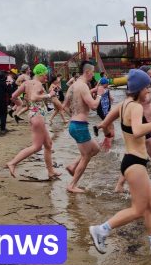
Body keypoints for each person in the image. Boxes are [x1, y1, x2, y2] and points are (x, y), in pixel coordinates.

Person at [89, 69, 151, 255]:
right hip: (135, 163)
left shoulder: (124, 104)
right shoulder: (136, 106)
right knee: (138, 209)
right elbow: (138, 131)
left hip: (132, 161)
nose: (149, 90)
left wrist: (104, 128)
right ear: (140, 88)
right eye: (146, 87)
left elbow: (110, 120)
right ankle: (101, 229)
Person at [6, 64, 61, 180]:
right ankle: (13, 163)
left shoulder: (26, 83)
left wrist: (21, 104)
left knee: (48, 144)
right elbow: (34, 97)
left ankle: (51, 172)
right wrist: (49, 95)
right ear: (40, 74)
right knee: (36, 147)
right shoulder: (38, 83)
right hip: (38, 116)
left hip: (33, 115)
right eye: (45, 75)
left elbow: (13, 96)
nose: (46, 78)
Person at [61, 62, 104, 193]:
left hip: (74, 125)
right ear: (88, 72)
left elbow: (64, 106)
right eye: (93, 72)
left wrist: (74, 116)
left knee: (95, 149)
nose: (93, 74)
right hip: (80, 126)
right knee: (86, 156)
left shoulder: (73, 86)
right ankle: (72, 185)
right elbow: (94, 106)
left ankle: (73, 165)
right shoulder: (83, 86)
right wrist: (100, 94)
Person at [92, 77, 114, 150]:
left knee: (108, 124)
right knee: (109, 125)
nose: (108, 84)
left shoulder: (102, 88)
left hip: (105, 109)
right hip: (103, 109)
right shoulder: (100, 89)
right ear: (106, 83)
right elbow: (90, 91)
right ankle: (108, 143)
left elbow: (110, 97)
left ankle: (106, 141)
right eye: (107, 83)